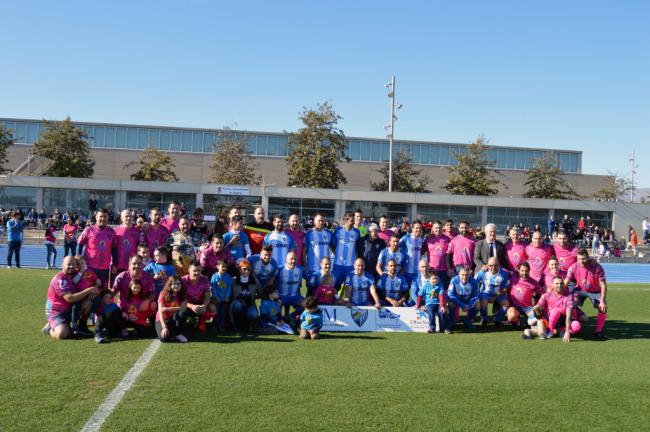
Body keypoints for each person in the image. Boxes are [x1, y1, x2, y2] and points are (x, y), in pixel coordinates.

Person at [45, 256, 99, 340]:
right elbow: (69, 298)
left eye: (73, 264)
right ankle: (49, 329)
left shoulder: (75, 275)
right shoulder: (60, 279)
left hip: (70, 309)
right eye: (68, 264)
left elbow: (88, 280)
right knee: (63, 334)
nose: (71, 267)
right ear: (62, 265)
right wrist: (89, 290)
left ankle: (82, 326)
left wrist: (95, 283)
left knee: (89, 303)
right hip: (57, 313)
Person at [564, 249, 609, 339]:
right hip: (580, 290)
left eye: (583, 259)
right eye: (579, 259)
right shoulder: (573, 266)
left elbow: (603, 285)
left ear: (588, 257)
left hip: (595, 292)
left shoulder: (597, 267)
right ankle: (572, 328)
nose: (581, 261)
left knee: (602, 308)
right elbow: (566, 281)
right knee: (572, 303)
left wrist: (602, 301)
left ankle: (598, 331)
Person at [77, 209, 118, 289]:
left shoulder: (111, 232)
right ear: (96, 217)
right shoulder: (88, 230)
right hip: (89, 268)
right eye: (101, 216)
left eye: (105, 217)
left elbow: (114, 249)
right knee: (86, 290)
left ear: (108, 218)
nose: (103, 219)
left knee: (102, 292)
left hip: (105, 269)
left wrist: (115, 264)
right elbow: (80, 244)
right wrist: (78, 260)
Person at [532, 276, 580, 342]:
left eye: (561, 283)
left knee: (576, 325)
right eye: (557, 283)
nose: (559, 285)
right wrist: (536, 316)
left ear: (564, 284)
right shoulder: (546, 295)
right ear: (552, 285)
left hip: (563, 321)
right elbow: (537, 307)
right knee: (555, 312)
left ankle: (559, 331)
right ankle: (550, 331)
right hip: (550, 320)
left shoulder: (569, 296)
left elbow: (569, 315)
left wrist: (567, 332)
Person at [179, 261, 215, 333]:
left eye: (199, 270)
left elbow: (207, 296)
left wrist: (204, 306)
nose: (197, 273)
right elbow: (180, 299)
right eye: (194, 271)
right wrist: (192, 306)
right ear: (189, 270)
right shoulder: (183, 280)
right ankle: (185, 324)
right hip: (187, 305)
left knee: (213, 308)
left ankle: (201, 323)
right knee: (181, 312)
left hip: (200, 305)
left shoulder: (205, 279)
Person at [474, 257, 510, 326]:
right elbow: (474, 282)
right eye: (491, 265)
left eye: (495, 265)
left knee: (506, 304)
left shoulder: (504, 274)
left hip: (499, 294)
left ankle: (497, 319)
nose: (493, 267)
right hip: (485, 293)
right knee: (483, 302)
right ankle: (485, 319)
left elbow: (505, 289)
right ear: (487, 265)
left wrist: (495, 297)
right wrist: (477, 295)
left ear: (499, 265)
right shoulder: (483, 272)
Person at [156, 275, 189, 343]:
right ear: (170, 285)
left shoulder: (183, 294)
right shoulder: (163, 294)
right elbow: (160, 311)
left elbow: (183, 308)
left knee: (183, 313)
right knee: (164, 339)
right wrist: (164, 327)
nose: (176, 286)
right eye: (174, 283)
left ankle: (178, 333)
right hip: (163, 319)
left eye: (178, 283)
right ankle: (172, 333)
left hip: (174, 319)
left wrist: (166, 309)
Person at [506, 262, 541, 327]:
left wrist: (538, 305)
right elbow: (501, 269)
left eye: (526, 271)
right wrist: (487, 266)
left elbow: (542, 294)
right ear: (518, 270)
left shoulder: (533, 282)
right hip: (514, 306)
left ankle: (526, 321)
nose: (524, 273)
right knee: (511, 317)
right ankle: (518, 320)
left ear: (529, 271)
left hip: (527, 308)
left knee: (537, 316)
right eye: (522, 271)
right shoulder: (512, 276)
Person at [446, 266, 480, 331]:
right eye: (462, 275)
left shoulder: (474, 281)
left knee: (478, 305)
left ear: (469, 274)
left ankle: (468, 320)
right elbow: (450, 294)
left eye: (466, 275)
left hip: (468, 301)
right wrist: (462, 305)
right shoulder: (454, 280)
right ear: (459, 274)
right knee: (450, 304)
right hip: (457, 301)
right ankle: (453, 321)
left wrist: (470, 305)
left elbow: (476, 295)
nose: (464, 277)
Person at [274, 251, 304, 322]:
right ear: (286, 260)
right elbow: (273, 282)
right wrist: (276, 296)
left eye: (295, 259)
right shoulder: (279, 269)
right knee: (275, 309)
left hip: (295, 297)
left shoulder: (301, 269)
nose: (293, 261)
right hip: (281, 297)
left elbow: (309, 277)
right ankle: (279, 320)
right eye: (291, 259)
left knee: (307, 304)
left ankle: (292, 316)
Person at [331, 213, 361, 283]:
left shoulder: (356, 232)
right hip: (338, 264)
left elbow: (358, 246)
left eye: (353, 220)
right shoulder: (338, 231)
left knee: (349, 286)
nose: (353, 222)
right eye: (351, 220)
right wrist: (336, 254)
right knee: (334, 285)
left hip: (350, 265)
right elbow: (332, 245)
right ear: (345, 221)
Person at [423, 220, 453, 289]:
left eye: (439, 228)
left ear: (442, 228)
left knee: (444, 289)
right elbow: (422, 251)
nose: (438, 229)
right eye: (436, 228)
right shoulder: (428, 239)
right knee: (432, 290)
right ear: (433, 228)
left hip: (444, 270)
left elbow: (449, 255)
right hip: (432, 270)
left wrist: (449, 268)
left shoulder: (447, 239)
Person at [230, 259, 259, 332]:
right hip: (237, 304)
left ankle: (248, 323)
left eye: (249, 269)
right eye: (244, 269)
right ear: (239, 269)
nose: (247, 271)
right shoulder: (233, 280)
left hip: (250, 305)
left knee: (254, 314)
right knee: (237, 306)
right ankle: (237, 323)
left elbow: (261, 293)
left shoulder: (254, 281)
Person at [114, 209, 142, 273]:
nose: (128, 218)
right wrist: (113, 264)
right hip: (118, 265)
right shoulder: (115, 231)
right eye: (126, 216)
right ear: (121, 218)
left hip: (133, 266)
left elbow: (140, 248)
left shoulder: (137, 231)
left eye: (130, 216)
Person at [209, 260, 233, 333]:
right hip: (217, 299)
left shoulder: (228, 276)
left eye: (225, 266)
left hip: (224, 299)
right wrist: (216, 297)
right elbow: (213, 287)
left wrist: (227, 296)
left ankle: (221, 326)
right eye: (222, 266)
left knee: (222, 312)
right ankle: (214, 326)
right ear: (217, 267)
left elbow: (229, 287)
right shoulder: (214, 276)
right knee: (216, 312)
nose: (224, 268)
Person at [399, 220, 424, 285]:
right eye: (417, 228)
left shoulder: (421, 239)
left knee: (415, 292)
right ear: (412, 228)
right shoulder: (406, 238)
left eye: (420, 228)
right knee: (405, 292)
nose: (418, 230)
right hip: (406, 271)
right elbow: (396, 247)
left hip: (417, 271)